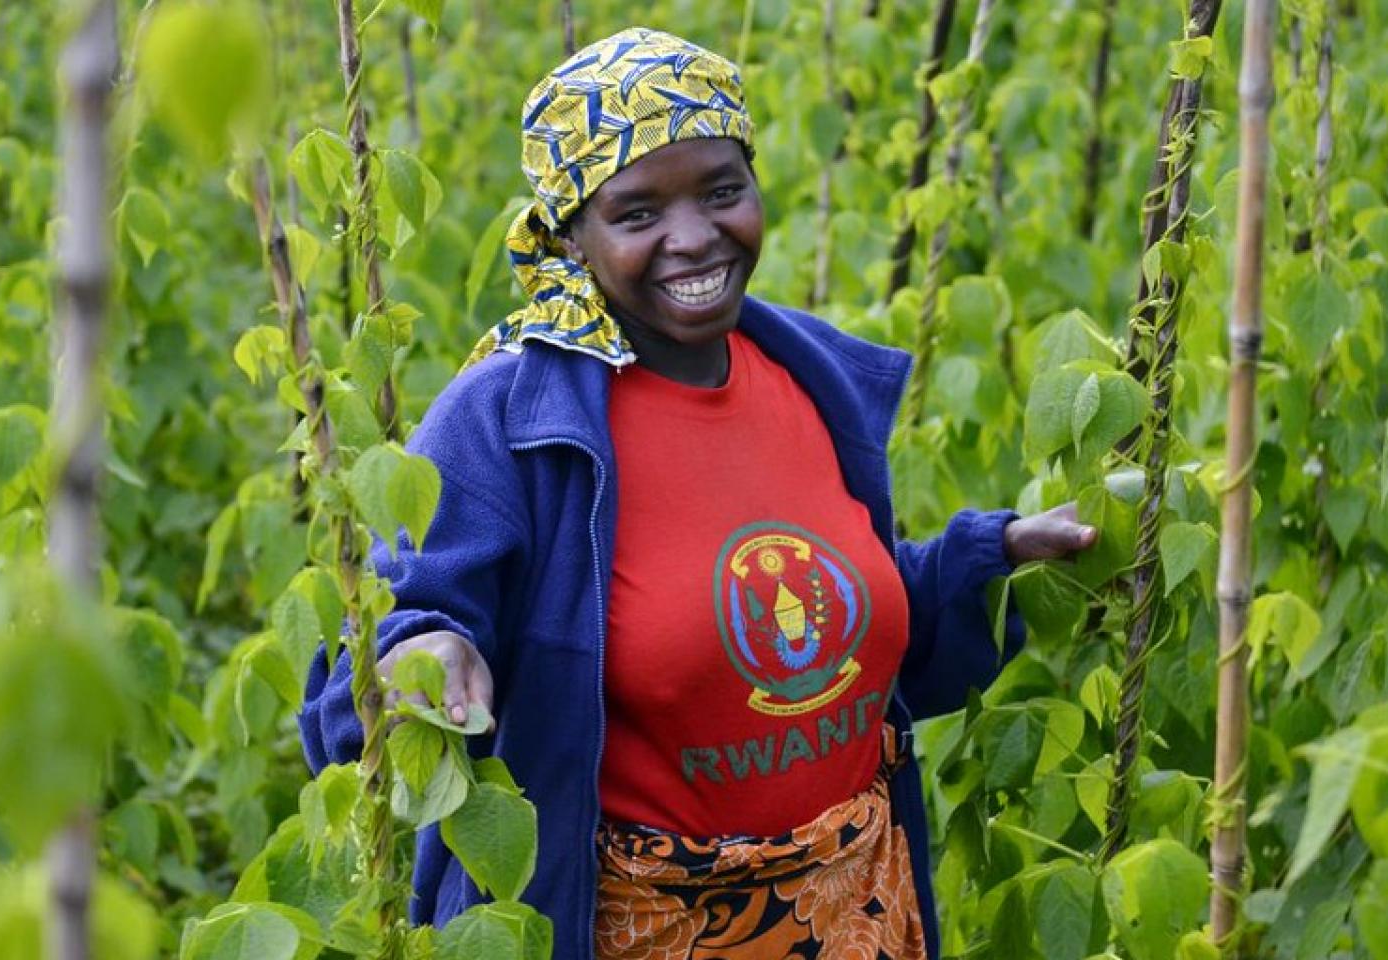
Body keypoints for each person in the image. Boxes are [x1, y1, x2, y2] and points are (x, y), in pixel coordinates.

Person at [301, 27, 1097, 960]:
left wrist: (984, 558)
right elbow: (374, 652)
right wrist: (420, 648)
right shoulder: (512, 421)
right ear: (570, 232)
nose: (694, 237)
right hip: (635, 929)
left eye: (722, 190)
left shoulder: (806, 378)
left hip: (860, 915)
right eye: (638, 213)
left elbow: (826, 639)